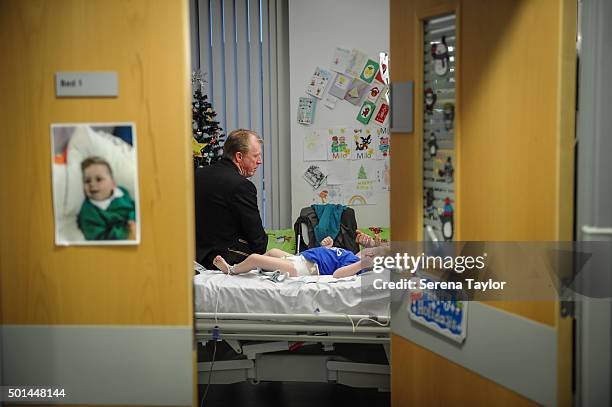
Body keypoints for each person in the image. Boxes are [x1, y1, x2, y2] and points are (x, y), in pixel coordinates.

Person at [194, 129, 268, 269]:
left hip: (194, 260)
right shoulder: (242, 186)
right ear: (239, 157)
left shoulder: (197, 175)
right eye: (256, 156)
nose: (260, 161)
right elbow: (259, 243)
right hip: (227, 264)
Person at [213, 231, 381, 279]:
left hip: (302, 268)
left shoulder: (356, 265)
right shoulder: (353, 256)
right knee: (272, 252)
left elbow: (337, 274)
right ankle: (259, 270)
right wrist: (327, 248)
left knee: (254, 257)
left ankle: (231, 270)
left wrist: (362, 264)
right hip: (300, 258)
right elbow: (359, 254)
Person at [77, 156, 136, 240]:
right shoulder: (88, 212)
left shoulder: (122, 192)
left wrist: (133, 221)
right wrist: (126, 233)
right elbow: (98, 237)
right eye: (87, 181)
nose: (92, 184)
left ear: (113, 183)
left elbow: (134, 207)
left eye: (98, 179)